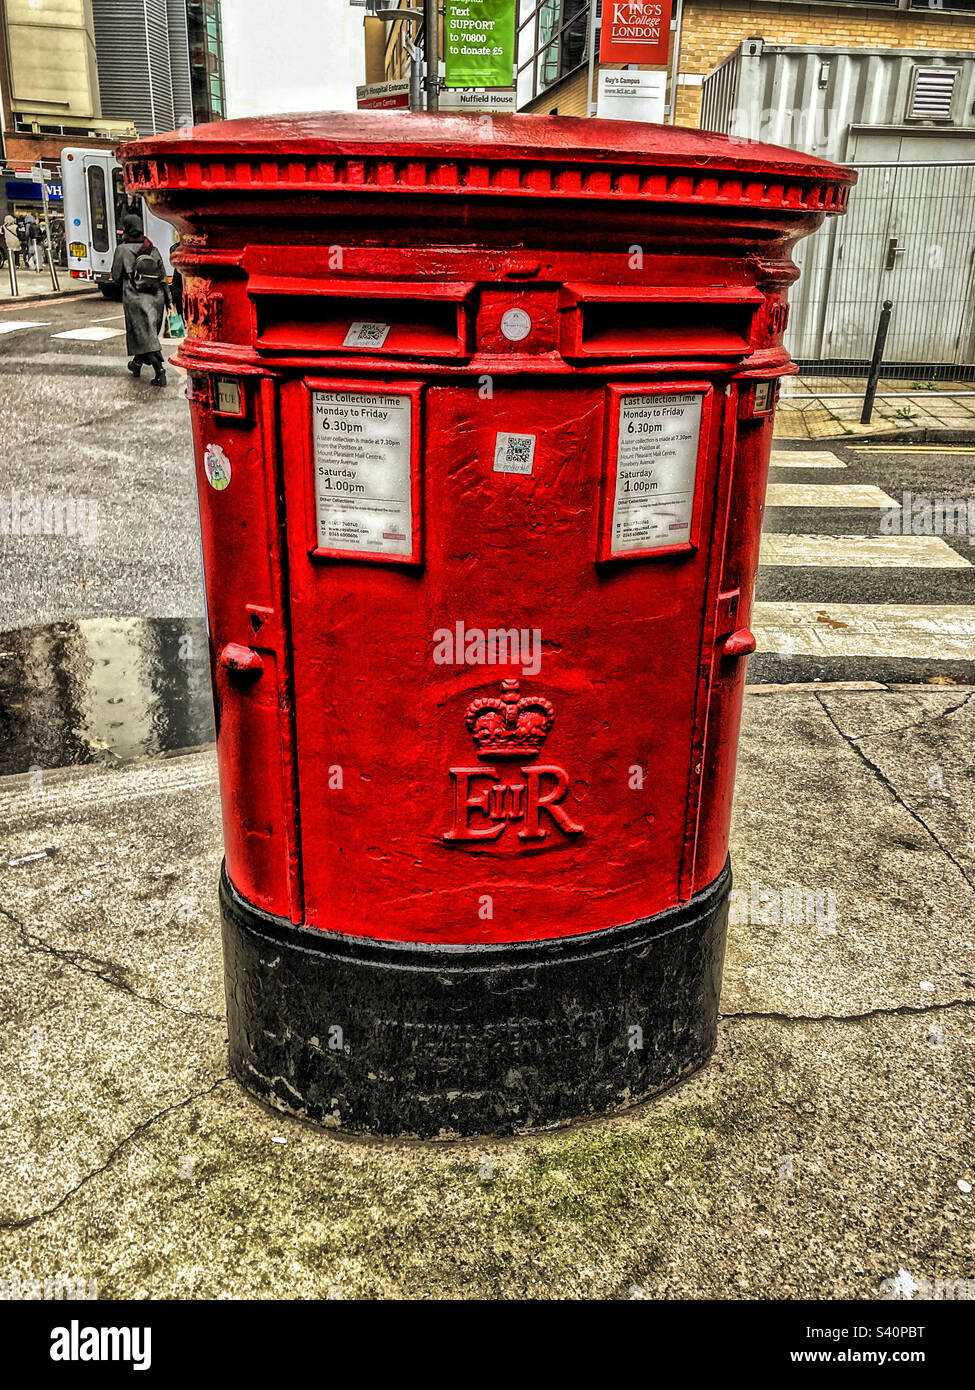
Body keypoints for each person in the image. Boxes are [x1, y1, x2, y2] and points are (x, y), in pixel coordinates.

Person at [110, 214, 173, 387]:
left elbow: (115, 276)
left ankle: (160, 371)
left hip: (135, 298)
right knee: (147, 334)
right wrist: (169, 300)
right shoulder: (151, 247)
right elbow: (162, 276)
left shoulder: (122, 249)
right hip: (156, 297)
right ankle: (136, 365)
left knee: (145, 337)